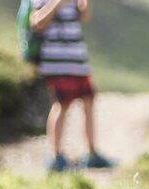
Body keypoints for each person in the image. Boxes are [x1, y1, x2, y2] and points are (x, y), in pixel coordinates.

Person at [30, 0, 114, 172]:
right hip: (56, 62)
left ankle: (92, 153)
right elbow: (37, 22)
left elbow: (84, 17)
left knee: (89, 100)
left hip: (77, 60)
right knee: (62, 105)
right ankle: (56, 157)